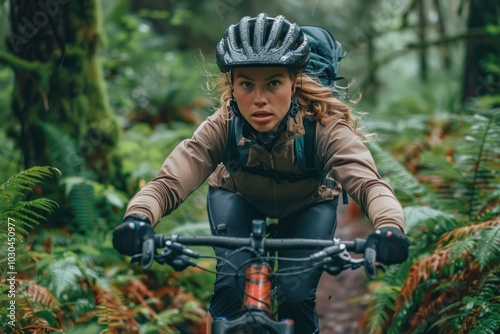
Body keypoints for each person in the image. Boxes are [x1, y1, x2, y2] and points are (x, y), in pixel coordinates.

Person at [112, 13, 410, 334]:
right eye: (246, 84)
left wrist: (389, 226)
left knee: (295, 297)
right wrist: (139, 218)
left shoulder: (323, 126)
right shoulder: (223, 124)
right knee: (229, 287)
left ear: (294, 82)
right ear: (232, 86)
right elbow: (170, 181)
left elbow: (368, 184)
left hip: (308, 204)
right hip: (237, 197)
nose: (259, 99)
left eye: (273, 83)